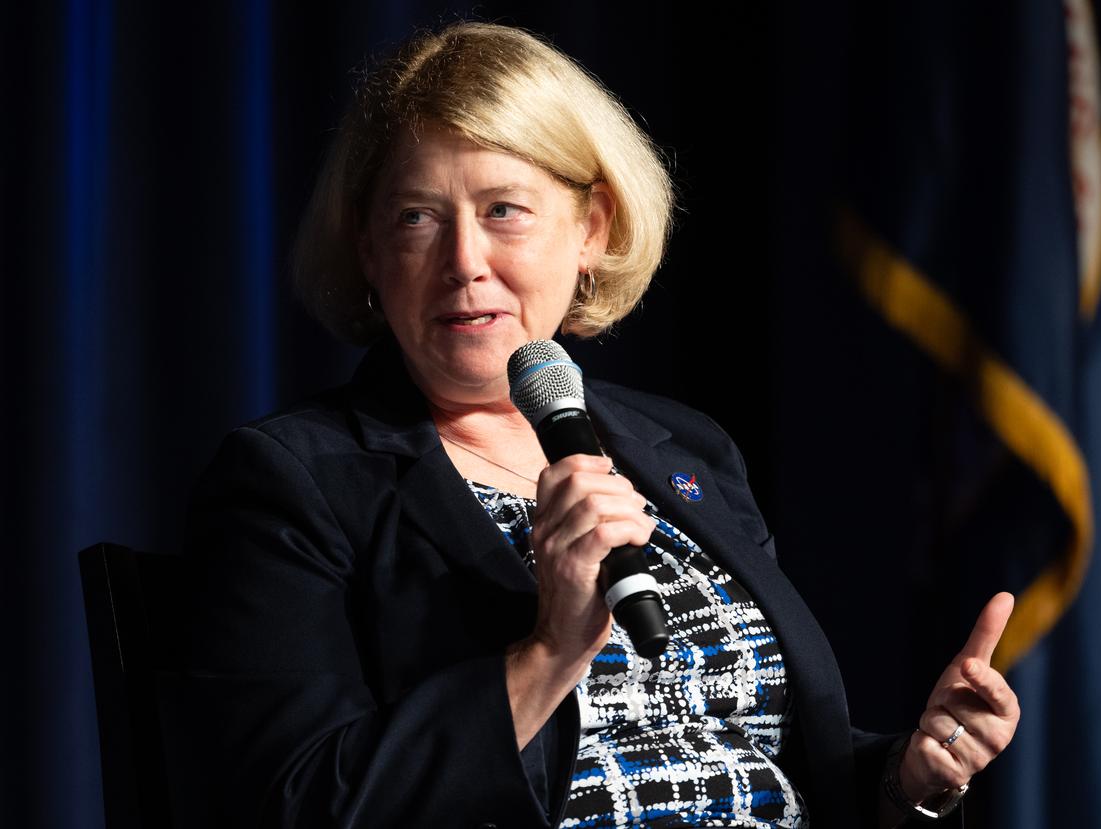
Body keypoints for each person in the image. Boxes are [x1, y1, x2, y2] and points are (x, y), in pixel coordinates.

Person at [180, 21, 1019, 828]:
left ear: (591, 229)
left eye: (505, 209)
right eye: (416, 218)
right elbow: (290, 802)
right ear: (368, 250)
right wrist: (547, 654)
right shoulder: (297, 482)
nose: (464, 260)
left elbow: (751, 752)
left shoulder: (684, 449)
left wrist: (909, 777)